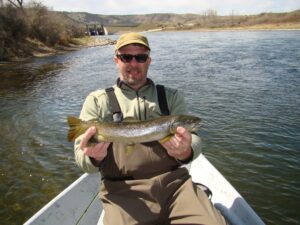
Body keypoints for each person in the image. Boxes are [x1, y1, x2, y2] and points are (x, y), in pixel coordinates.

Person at [74, 32, 227, 225]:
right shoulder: (97, 101)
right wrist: (93, 157)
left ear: (149, 61)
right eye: (126, 57)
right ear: (116, 60)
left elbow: (195, 139)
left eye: (140, 57)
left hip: (175, 186)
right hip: (122, 192)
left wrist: (187, 150)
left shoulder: (171, 97)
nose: (134, 63)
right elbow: (81, 159)